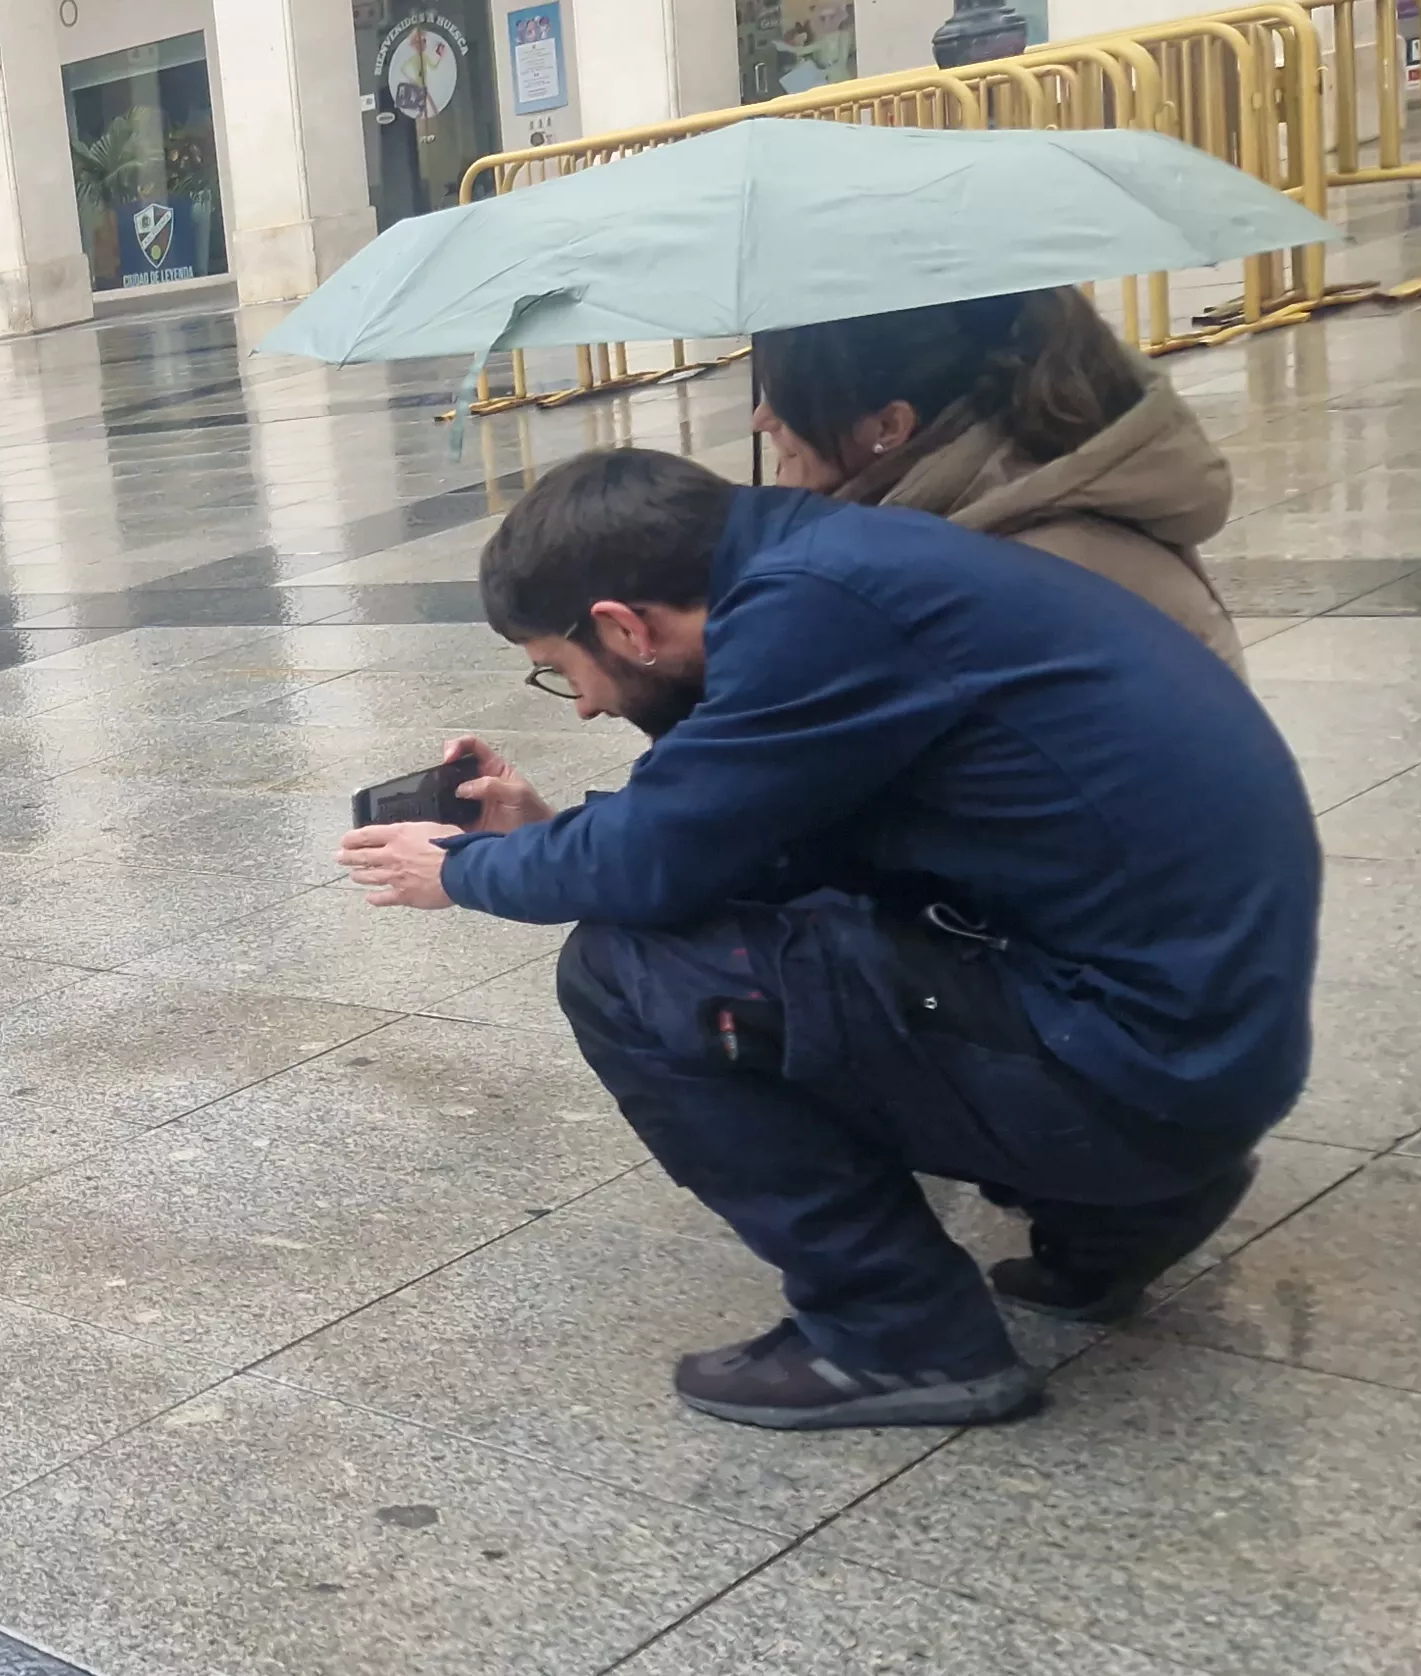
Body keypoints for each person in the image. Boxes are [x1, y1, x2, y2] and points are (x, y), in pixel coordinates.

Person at [334, 448, 1317, 1431]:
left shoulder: (814, 615)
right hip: (1198, 1043)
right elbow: (753, 837)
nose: (585, 704)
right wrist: (551, 837)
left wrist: (460, 870)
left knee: (625, 973)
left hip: (1139, 1070)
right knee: (768, 915)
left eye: (563, 673)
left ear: (622, 626)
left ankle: (898, 1337)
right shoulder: (840, 563)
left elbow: (654, 865)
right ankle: (1116, 1213)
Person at [753, 286, 1241, 665]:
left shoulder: (1006, 575)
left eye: (786, 402)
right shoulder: (988, 502)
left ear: (889, 426)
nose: (761, 420)